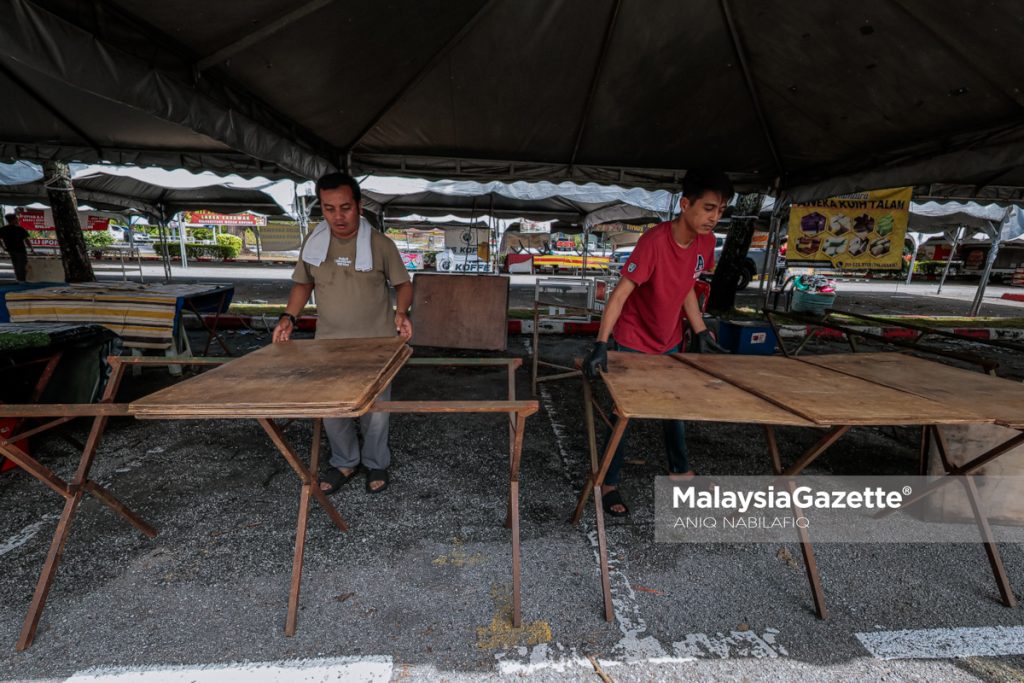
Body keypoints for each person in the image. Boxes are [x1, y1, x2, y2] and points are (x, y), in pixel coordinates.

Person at [583, 169, 734, 517]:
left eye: (721, 211)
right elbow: (620, 295)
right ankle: (607, 481)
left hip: (668, 340)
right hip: (634, 338)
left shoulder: (706, 243)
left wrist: (700, 332)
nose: (714, 217)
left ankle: (680, 472)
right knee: (626, 413)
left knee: (674, 408)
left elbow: (686, 290)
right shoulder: (654, 241)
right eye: (709, 207)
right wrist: (601, 344)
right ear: (685, 204)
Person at [273, 173, 413, 495]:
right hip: (329, 344)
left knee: (375, 411)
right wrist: (288, 317)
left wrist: (401, 312)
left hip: (377, 344)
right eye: (329, 208)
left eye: (345, 208)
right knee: (333, 408)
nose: (338, 216)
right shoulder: (315, 242)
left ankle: (376, 462)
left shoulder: (380, 244)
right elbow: (303, 283)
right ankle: (344, 461)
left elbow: (404, 284)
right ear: (321, 208)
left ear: (360, 206)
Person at [0, 213, 34, 282]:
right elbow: (26, 240)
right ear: (13, 220)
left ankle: (18, 279)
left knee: (16, 265)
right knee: (22, 265)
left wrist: (3, 247)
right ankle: (22, 280)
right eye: (16, 218)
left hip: (10, 250)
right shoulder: (20, 229)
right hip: (20, 250)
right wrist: (31, 248)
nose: (17, 220)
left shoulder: (3, 229)